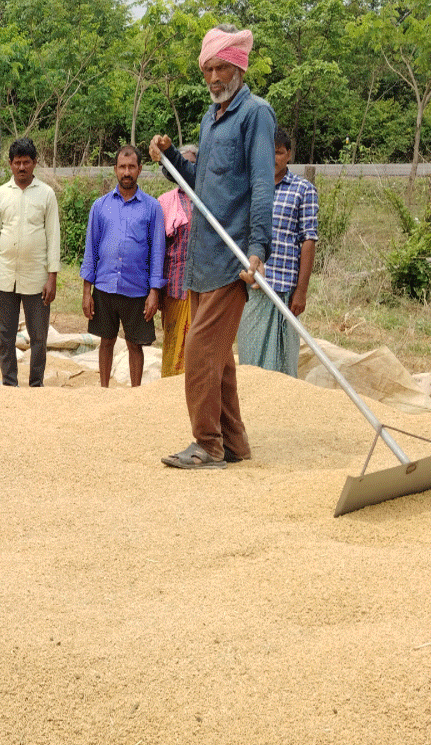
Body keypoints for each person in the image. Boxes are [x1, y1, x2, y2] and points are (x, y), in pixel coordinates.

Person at [150, 24, 276, 469]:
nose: (213, 77)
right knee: (219, 361)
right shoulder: (210, 117)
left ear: (238, 66)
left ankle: (207, 444)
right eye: (207, 68)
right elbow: (199, 184)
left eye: (221, 66)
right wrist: (170, 159)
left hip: (232, 259)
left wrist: (259, 247)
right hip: (200, 260)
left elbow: (262, 185)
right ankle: (235, 444)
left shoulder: (256, 114)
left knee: (201, 352)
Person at [81, 145, 165, 387]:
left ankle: (135, 395)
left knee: (134, 344)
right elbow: (91, 249)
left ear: (140, 169)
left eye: (131, 167)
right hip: (105, 286)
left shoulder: (152, 208)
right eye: (122, 167)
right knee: (106, 341)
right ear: (115, 170)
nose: (126, 172)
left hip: (137, 288)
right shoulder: (100, 206)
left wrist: (154, 292)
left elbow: (157, 252)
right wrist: (87, 291)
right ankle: (103, 390)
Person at [237, 128, 319, 377]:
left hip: (284, 288)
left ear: (288, 155)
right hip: (252, 285)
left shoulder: (303, 190)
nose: (272, 158)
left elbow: (308, 240)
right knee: (250, 359)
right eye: (267, 153)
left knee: (282, 364)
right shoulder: (249, 188)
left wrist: (301, 291)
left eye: (279, 153)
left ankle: (280, 411)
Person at [0, 138, 60, 387]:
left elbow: (53, 236)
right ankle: (9, 381)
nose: (22, 167)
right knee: (4, 335)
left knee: (38, 335)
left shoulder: (46, 194)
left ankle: (36, 383)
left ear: (35, 163)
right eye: (17, 163)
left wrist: (52, 277)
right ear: (10, 165)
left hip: (37, 277)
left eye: (27, 162)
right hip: (5, 276)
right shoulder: (1, 194)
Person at [157, 143, 198, 377]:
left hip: (203, 287)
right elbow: (158, 250)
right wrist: (157, 290)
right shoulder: (165, 202)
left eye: (192, 164)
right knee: (174, 346)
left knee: (200, 345)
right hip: (174, 288)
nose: (186, 168)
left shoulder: (210, 198)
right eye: (182, 164)